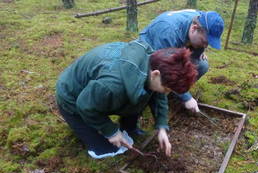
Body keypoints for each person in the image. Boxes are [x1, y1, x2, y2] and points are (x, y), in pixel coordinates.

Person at [56, 40, 197, 159]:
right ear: (155, 74)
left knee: (143, 95)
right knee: (104, 149)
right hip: (72, 96)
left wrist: (161, 127)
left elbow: (158, 95)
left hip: (101, 90)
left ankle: (128, 128)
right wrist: (110, 131)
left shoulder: (155, 63)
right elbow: (85, 105)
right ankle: (96, 132)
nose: (166, 92)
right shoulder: (113, 85)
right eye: (167, 88)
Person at [139, 9, 224, 113]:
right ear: (194, 28)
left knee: (202, 65)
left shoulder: (201, 19)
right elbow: (164, 67)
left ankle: (172, 91)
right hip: (150, 51)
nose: (205, 46)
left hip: (175, 47)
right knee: (159, 76)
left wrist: (199, 50)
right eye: (204, 42)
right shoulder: (168, 32)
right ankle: (155, 96)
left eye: (207, 44)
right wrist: (186, 97)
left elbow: (203, 23)